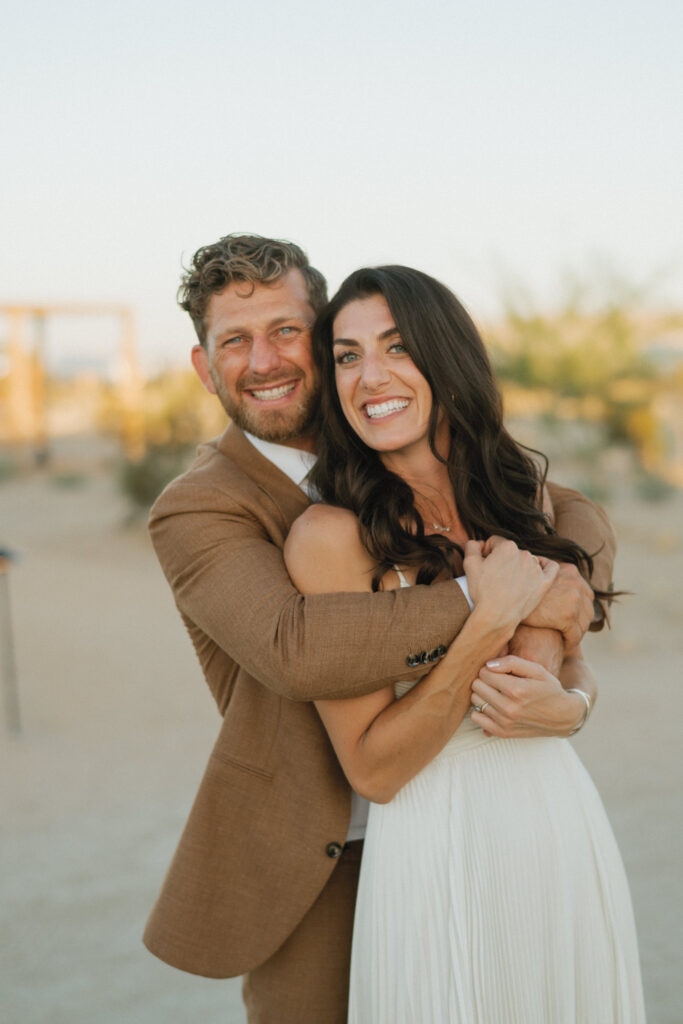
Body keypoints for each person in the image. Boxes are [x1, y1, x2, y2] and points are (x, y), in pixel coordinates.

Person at [143, 234, 616, 1024]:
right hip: (320, 857)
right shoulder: (199, 505)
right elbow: (297, 648)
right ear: (204, 366)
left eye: (287, 332)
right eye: (234, 340)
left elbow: (570, 512)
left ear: (322, 339)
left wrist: (558, 663)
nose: (264, 360)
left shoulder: (385, 428)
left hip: (487, 820)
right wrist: (490, 596)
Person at [283, 264, 645, 1022]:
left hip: (555, 817)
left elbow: (568, 650)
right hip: (433, 840)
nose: (368, 375)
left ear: (447, 358)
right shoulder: (332, 538)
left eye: (396, 347)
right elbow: (373, 768)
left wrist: (572, 702)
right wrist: (485, 617)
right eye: (346, 356)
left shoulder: (518, 496)